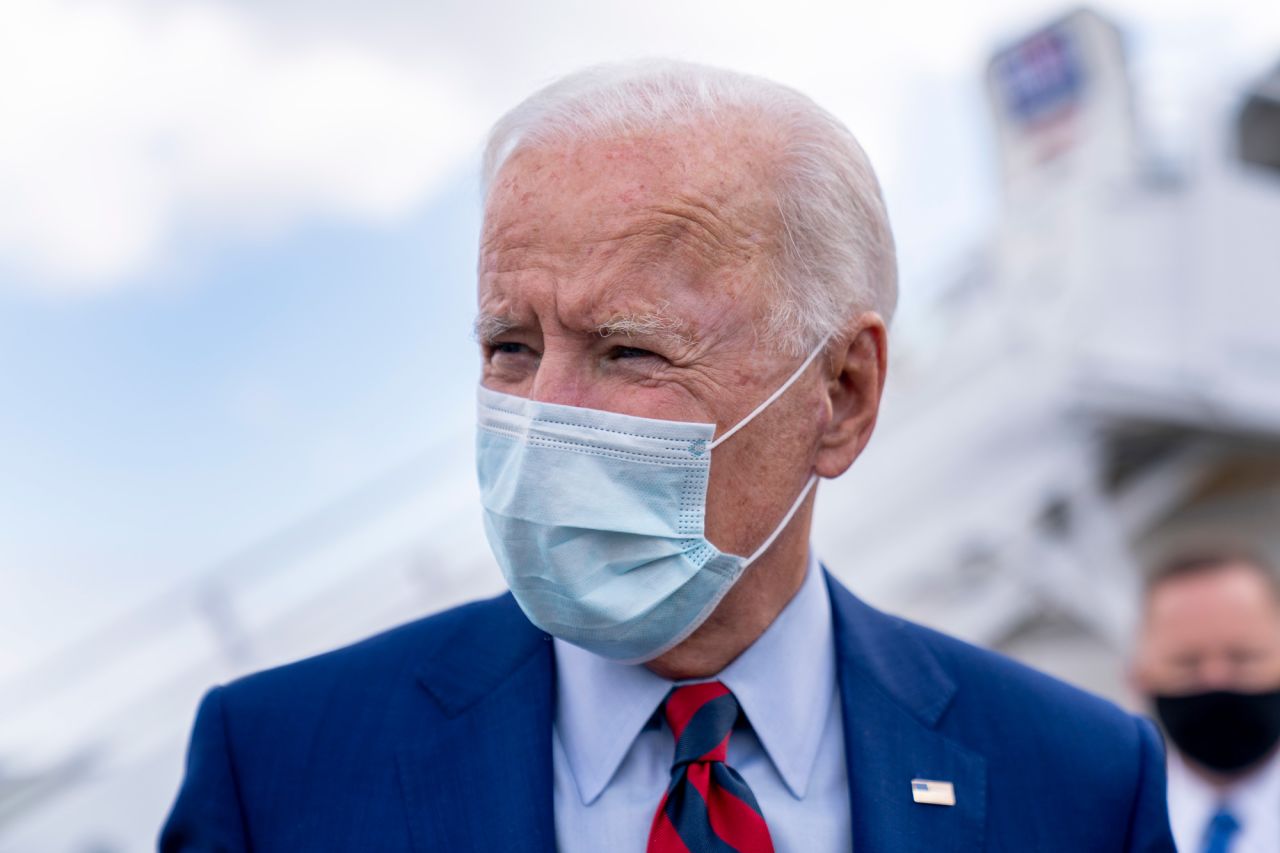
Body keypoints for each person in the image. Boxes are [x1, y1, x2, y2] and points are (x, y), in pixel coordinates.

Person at [161, 60, 1175, 851]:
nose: (543, 414)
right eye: (508, 347)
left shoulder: (1080, 780)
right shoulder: (277, 767)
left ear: (842, 394)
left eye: (629, 350)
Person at [1131, 547, 1280, 852]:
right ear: (1140, 677)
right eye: (1186, 663)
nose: (1216, 680)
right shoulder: (1111, 818)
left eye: (1244, 658)